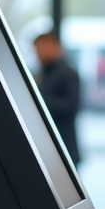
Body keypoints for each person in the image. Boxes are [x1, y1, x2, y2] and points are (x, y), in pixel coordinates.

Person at [33, 30, 82, 164]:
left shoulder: (68, 73)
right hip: (46, 146)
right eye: (36, 51)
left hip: (64, 145)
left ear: (53, 46)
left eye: (40, 49)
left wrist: (40, 99)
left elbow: (72, 106)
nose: (38, 54)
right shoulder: (42, 72)